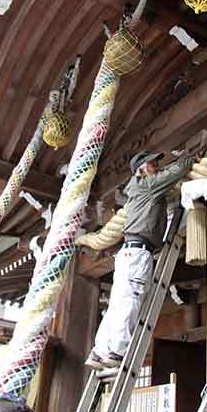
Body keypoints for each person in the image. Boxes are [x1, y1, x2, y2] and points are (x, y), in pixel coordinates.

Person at [85, 150, 194, 369]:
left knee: (117, 302)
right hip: (138, 254)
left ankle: (99, 351)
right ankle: (117, 351)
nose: (158, 167)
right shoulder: (147, 184)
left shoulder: (139, 188)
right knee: (130, 300)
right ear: (142, 170)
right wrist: (190, 156)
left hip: (128, 253)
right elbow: (178, 170)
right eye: (154, 164)